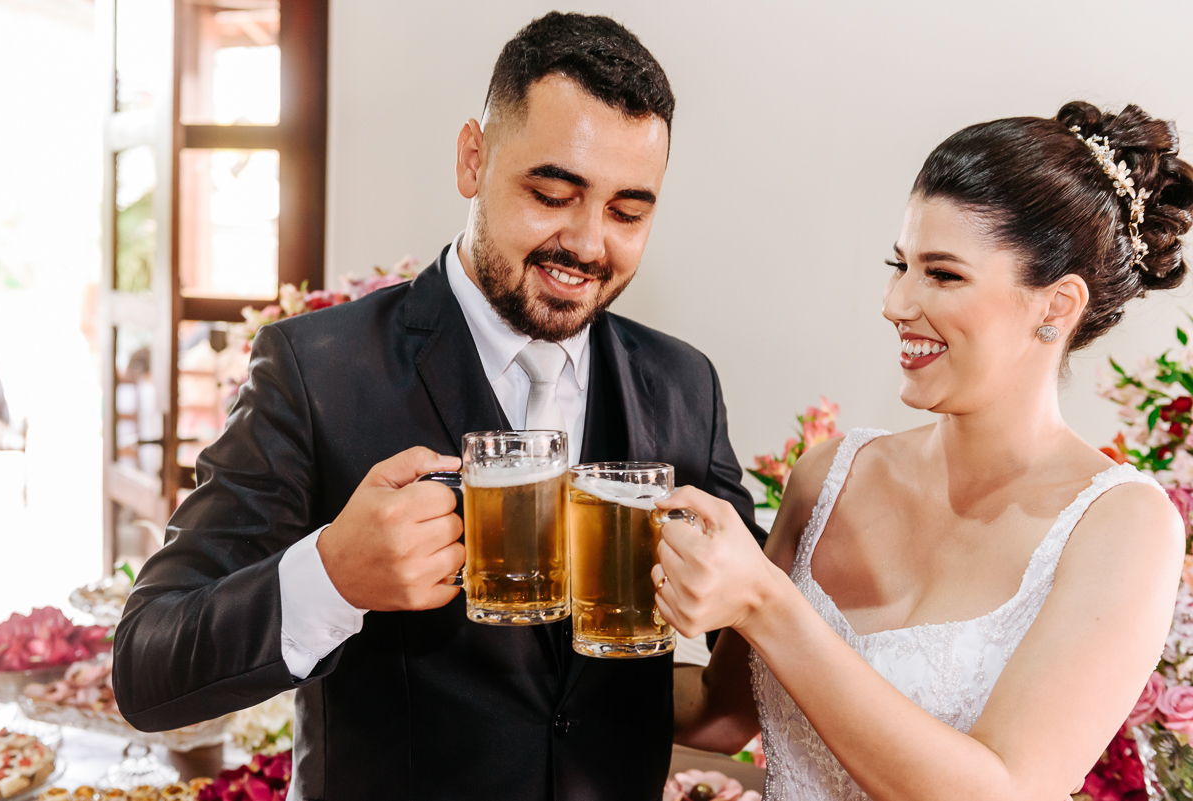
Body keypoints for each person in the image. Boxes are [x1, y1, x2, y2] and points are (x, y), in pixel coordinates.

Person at [112, 12, 763, 801]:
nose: (590, 244)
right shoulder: (314, 370)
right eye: (554, 193)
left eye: (629, 212)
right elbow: (147, 663)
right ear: (472, 158)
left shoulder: (684, 384)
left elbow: (757, 637)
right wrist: (332, 576)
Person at [654, 101, 1193, 800]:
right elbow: (718, 713)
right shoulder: (828, 476)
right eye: (899, 264)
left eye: (941, 274)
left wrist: (767, 602)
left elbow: (1003, 789)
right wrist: (539, 623)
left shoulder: (1125, 526)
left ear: (1056, 306)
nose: (895, 301)